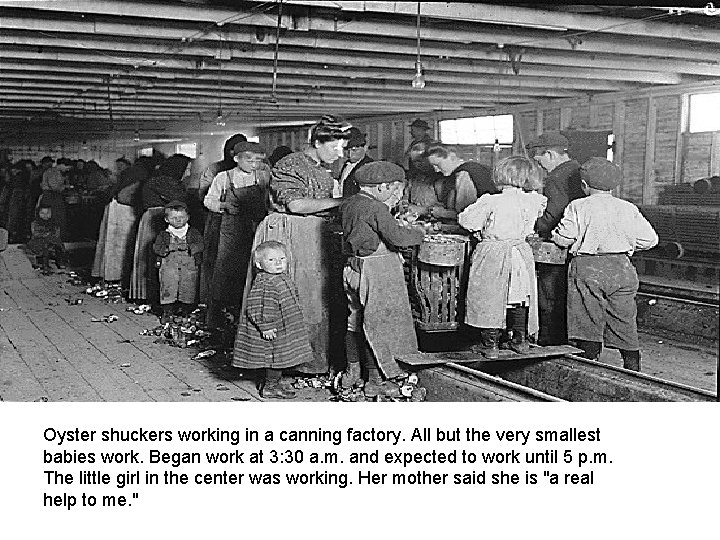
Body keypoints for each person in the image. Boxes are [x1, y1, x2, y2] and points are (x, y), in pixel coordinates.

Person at [242, 114, 351, 375]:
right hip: (288, 234)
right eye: (334, 147)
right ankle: (282, 366)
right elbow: (296, 204)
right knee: (287, 298)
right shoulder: (290, 164)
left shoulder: (322, 170)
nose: (339, 154)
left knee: (314, 299)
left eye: (342, 149)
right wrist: (344, 202)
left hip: (312, 235)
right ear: (316, 142)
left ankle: (310, 362)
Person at [550, 158, 658, 371]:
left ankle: (590, 361)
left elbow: (565, 237)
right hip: (622, 267)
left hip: (588, 268)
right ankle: (632, 362)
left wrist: (557, 236)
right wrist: (625, 245)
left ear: (584, 185)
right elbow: (651, 240)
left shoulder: (578, 206)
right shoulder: (628, 208)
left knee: (587, 317)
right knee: (624, 317)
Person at [339, 161, 425, 397]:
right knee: (377, 326)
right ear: (381, 187)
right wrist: (419, 233)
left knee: (355, 320)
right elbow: (397, 237)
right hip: (376, 270)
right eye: (395, 189)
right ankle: (376, 381)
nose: (397, 195)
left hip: (354, 268)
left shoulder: (351, 203)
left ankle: (352, 372)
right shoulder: (376, 208)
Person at [458, 156, 547, 357]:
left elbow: (466, 221)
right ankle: (520, 341)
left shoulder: (490, 201)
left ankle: (490, 345)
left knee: (489, 297)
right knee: (519, 297)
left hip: (494, 253)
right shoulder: (533, 201)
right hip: (519, 254)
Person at [233, 241, 313, 399]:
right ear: (259, 264)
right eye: (271, 260)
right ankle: (270, 387)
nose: (278, 263)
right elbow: (258, 305)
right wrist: (266, 326)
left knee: (281, 355)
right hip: (273, 326)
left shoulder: (280, 277)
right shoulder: (265, 282)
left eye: (282, 259)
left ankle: (274, 382)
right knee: (274, 356)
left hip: (284, 324)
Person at [203, 141, 269, 328]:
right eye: (249, 160)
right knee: (226, 270)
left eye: (258, 161)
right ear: (236, 159)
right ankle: (221, 316)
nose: (254, 165)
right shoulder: (224, 177)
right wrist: (223, 206)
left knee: (253, 269)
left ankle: (248, 315)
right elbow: (209, 201)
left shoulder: (263, 176)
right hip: (231, 229)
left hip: (255, 227)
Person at [529, 132, 585, 346]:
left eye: (540, 159)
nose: (540, 165)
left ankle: (549, 341)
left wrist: (533, 225)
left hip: (557, 246)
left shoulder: (556, 178)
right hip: (577, 245)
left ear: (550, 154)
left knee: (548, 294)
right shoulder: (578, 171)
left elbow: (553, 216)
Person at [131, 154, 190, 305]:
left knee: (150, 258)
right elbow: (181, 200)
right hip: (158, 217)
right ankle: (157, 295)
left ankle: (147, 294)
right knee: (159, 257)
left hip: (152, 217)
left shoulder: (158, 179)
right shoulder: (165, 181)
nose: (188, 173)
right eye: (187, 169)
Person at [92, 157, 153, 289]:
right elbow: (125, 196)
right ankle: (115, 277)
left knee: (110, 244)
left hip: (115, 208)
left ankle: (108, 275)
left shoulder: (132, 173)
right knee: (121, 245)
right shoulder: (141, 174)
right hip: (123, 211)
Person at [152, 201, 203, 323]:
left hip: (188, 264)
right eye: (174, 218)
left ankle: (186, 311)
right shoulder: (164, 234)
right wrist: (165, 249)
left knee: (188, 286)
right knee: (168, 285)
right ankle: (167, 311)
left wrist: (193, 248)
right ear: (166, 219)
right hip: (169, 264)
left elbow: (201, 244)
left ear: (188, 217)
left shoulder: (193, 232)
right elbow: (156, 247)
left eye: (182, 217)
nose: (178, 220)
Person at [426, 143, 496, 221]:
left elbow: (465, 214)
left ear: (452, 157)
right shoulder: (473, 168)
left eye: (438, 164)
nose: (436, 170)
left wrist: (441, 213)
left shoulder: (464, 174)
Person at [39, 157, 72, 240]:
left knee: (55, 218)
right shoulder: (53, 172)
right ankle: (54, 238)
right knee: (54, 218)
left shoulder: (56, 172)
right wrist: (66, 187)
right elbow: (55, 187)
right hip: (51, 197)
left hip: (53, 197)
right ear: (61, 165)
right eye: (67, 167)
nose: (67, 170)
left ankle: (55, 237)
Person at [27, 203, 66, 273]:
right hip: (38, 242)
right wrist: (45, 235)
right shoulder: (35, 223)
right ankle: (45, 265)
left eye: (47, 213)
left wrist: (52, 236)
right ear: (38, 213)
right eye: (42, 213)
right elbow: (35, 234)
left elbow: (57, 233)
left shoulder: (54, 223)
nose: (45, 215)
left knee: (58, 244)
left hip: (51, 241)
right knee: (45, 246)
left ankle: (60, 261)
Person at [336, 127, 373, 198]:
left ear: (365, 148)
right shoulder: (346, 165)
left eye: (354, 150)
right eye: (346, 150)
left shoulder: (369, 167)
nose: (349, 155)